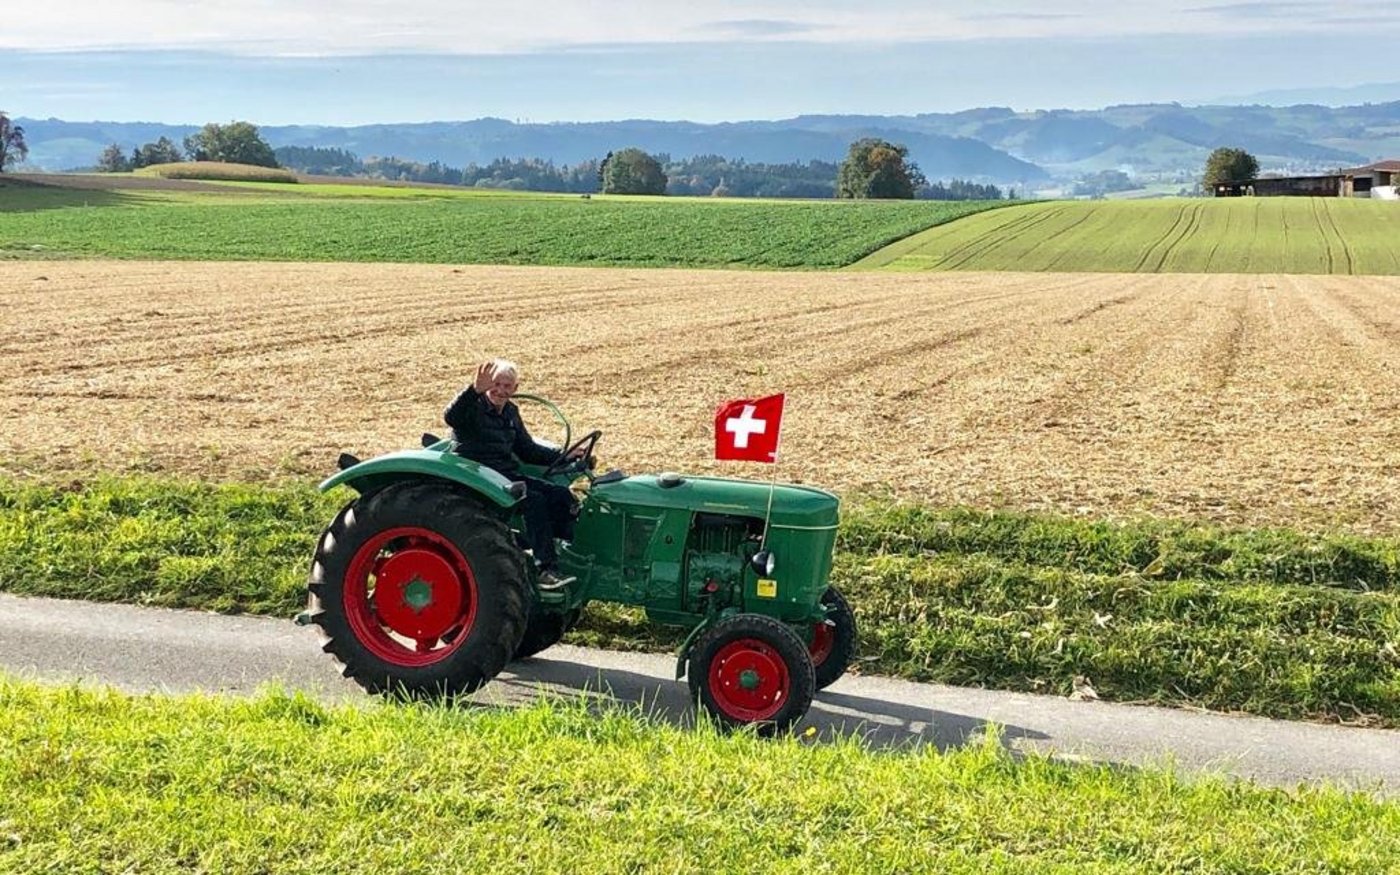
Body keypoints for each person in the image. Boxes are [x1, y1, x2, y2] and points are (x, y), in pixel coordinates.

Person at [443, 359, 586, 589]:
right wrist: (473, 391)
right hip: (478, 475)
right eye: (496, 384)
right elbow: (452, 417)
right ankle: (545, 569)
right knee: (533, 501)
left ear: (515, 388)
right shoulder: (472, 408)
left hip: (505, 473)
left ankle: (566, 555)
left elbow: (527, 450)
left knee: (561, 495)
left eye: (507, 386)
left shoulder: (510, 412)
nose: (500, 390)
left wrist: (565, 455)